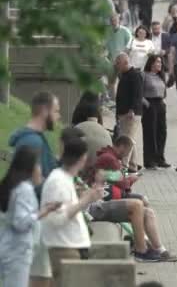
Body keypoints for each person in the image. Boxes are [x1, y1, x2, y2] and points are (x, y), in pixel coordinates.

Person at [91, 136, 177, 262]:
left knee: (148, 212)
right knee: (138, 204)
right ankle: (141, 249)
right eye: (129, 150)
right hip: (100, 202)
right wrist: (130, 179)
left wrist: (124, 177)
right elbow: (120, 181)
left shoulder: (110, 158)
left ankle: (160, 250)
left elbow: (113, 177)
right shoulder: (109, 158)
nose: (128, 153)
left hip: (108, 197)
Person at [40, 134, 104, 286]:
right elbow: (56, 219)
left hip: (68, 247)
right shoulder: (58, 181)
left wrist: (89, 196)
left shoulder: (64, 179)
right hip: (62, 249)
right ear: (83, 158)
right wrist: (86, 200)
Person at [0, 146, 61, 287]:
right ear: (30, 168)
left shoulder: (13, 187)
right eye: (38, 165)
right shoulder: (24, 190)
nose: (41, 170)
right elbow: (20, 222)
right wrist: (44, 211)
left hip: (10, 249)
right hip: (18, 253)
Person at [10, 92, 60, 179]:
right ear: (45, 111)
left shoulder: (36, 138)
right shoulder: (32, 141)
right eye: (56, 111)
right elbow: (33, 182)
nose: (58, 116)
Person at [114, 53, 144, 172]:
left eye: (118, 64)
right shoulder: (123, 75)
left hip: (131, 113)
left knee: (127, 140)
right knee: (129, 138)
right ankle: (132, 165)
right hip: (123, 112)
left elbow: (137, 95)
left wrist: (132, 109)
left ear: (125, 62)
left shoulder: (135, 75)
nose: (117, 66)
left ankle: (124, 166)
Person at [141, 54, 169, 170]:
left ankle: (160, 158)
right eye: (158, 62)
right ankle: (150, 160)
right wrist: (146, 103)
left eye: (161, 62)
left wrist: (163, 101)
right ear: (151, 63)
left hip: (160, 105)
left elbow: (164, 92)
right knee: (150, 133)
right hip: (149, 105)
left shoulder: (160, 76)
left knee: (162, 132)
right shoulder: (144, 75)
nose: (160, 64)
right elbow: (138, 93)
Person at [105, 14, 132, 101]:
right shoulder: (107, 32)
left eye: (115, 20)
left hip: (122, 61)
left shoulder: (125, 31)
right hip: (112, 61)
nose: (113, 22)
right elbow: (105, 46)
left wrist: (125, 56)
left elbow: (130, 44)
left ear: (119, 20)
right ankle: (113, 101)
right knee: (111, 82)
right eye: (112, 20)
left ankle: (126, 100)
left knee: (125, 82)